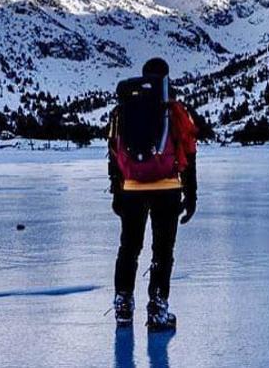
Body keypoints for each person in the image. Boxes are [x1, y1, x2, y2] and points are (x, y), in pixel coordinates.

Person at [107, 57, 198, 331]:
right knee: (163, 251)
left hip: (132, 188)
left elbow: (113, 153)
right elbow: (189, 154)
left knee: (129, 247)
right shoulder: (175, 109)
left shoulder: (123, 110)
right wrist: (191, 195)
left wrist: (117, 192)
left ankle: (123, 306)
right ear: (167, 77)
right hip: (168, 188)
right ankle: (158, 310)